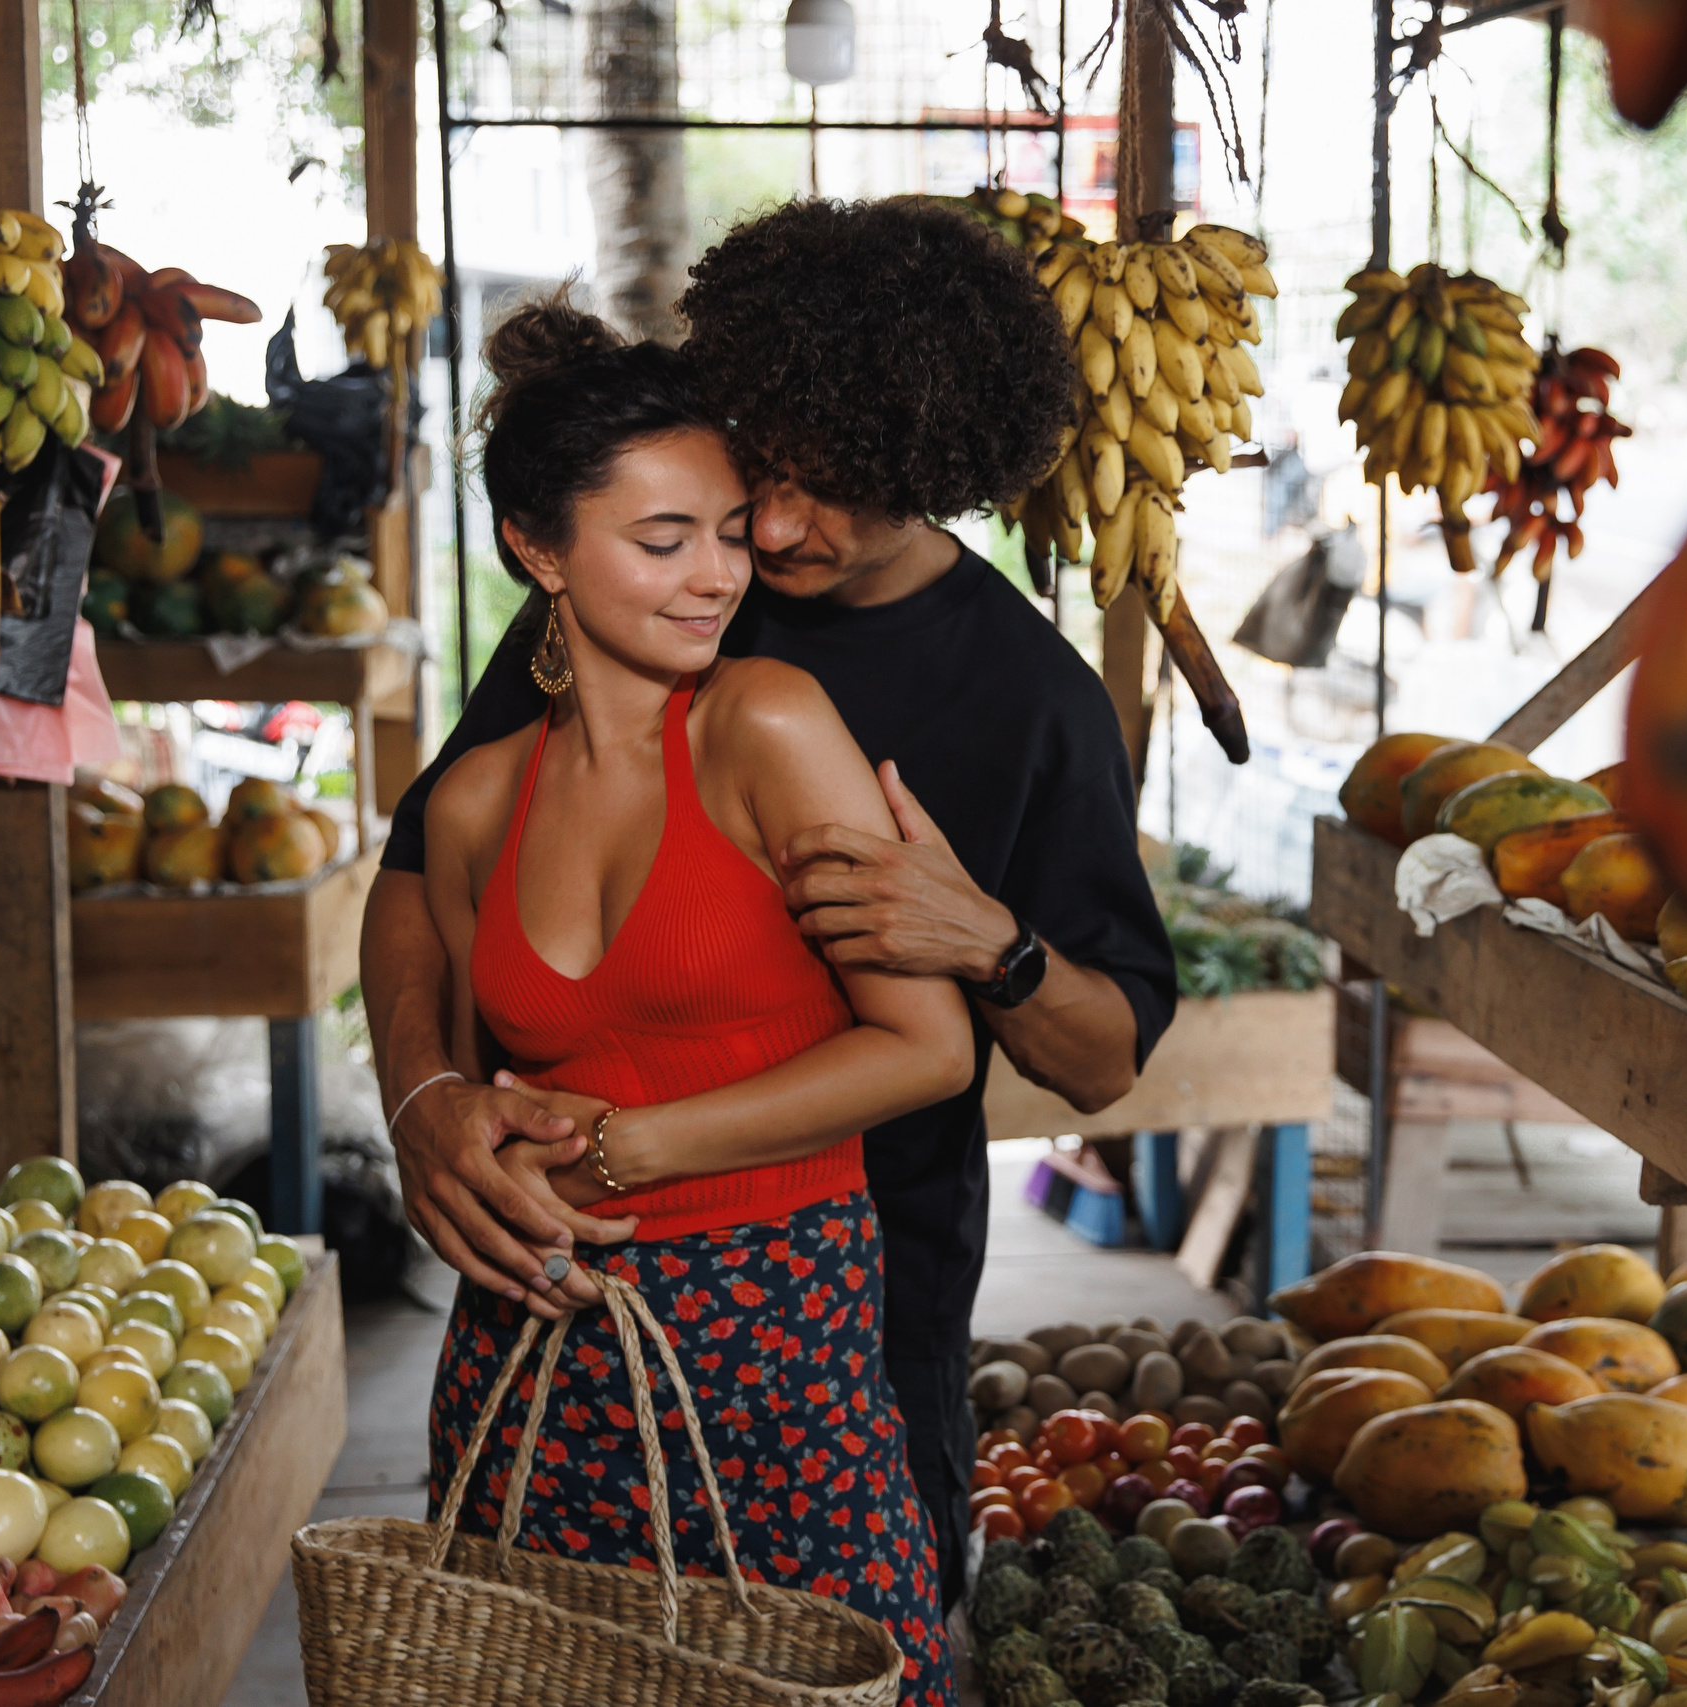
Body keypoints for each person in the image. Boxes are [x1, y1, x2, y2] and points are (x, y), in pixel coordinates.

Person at [362, 198, 1178, 1611]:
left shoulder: (1030, 700)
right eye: (766, 474)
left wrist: (992, 945)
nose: (775, 534)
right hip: (578, 1283)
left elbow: (1105, 1064)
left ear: (934, 471)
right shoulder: (643, 596)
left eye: (837, 491)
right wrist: (423, 1096)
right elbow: (417, 879)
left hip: (858, 1287)